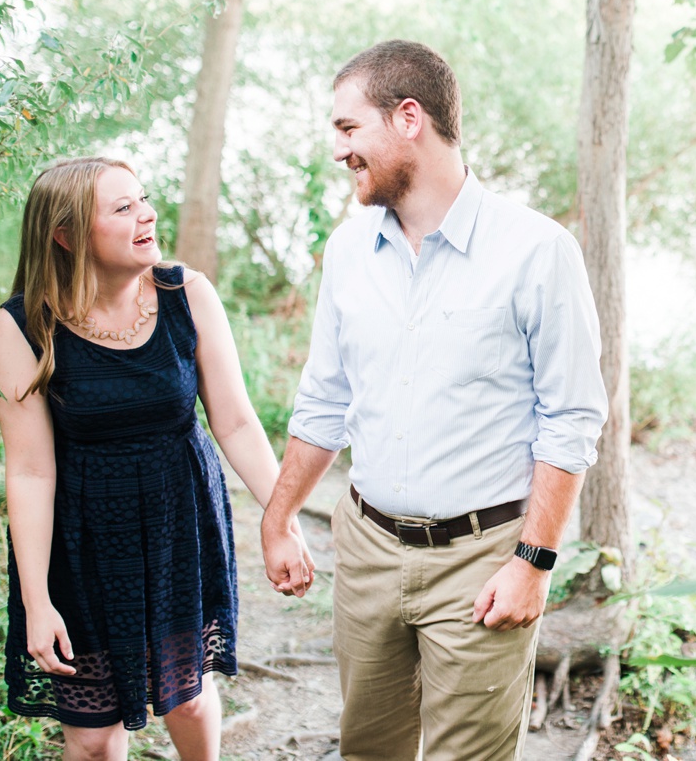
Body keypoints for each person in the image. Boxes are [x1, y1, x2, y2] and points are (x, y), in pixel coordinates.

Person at [260, 40, 608, 761]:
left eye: (349, 129)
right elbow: (324, 401)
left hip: (484, 557)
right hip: (365, 549)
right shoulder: (348, 254)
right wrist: (280, 516)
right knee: (368, 750)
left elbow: (571, 418)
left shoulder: (538, 251)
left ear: (408, 118)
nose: (339, 150)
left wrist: (533, 563)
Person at [0, 156, 312, 761]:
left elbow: (237, 422)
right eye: (123, 208)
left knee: (187, 697)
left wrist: (283, 519)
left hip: (177, 527)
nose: (148, 215)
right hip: (80, 544)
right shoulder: (24, 327)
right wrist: (38, 601)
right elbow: (30, 471)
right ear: (65, 235)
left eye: (143, 199)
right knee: (91, 738)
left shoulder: (187, 293)